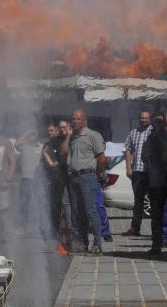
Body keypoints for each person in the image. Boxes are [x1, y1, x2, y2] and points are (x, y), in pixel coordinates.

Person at [61, 108, 106, 256]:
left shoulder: (93, 135)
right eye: (73, 119)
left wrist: (96, 174)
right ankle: (82, 244)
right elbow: (63, 151)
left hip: (88, 177)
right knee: (76, 212)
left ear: (85, 120)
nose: (75, 121)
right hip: (74, 177)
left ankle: (97, 245)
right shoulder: (72, 137)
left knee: (90, 211)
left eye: (78, 119)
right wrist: (68, 136)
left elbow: (102, 158)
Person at [141, 114, 167, 258]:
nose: (158, 125)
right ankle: (156, 245)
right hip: (156, 181)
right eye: (156, 122)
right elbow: (144, 157)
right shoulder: (150, 138)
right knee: (156, 216)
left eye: (160, 122)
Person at [121, 111, 152, 237]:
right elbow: (128, 149)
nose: (144, 120)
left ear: (149, 119)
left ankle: (157, 231)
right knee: (138, 202)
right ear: (139, 119)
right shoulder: (133, 132)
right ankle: (135, 229)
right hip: (138, 172)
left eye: (146, 118)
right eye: (142, 118)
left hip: (150, 172)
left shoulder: (153, 131)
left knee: (154, 202)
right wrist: (129, 168)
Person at [42, 122, 69, 242]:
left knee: (66, 205)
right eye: (61, 127)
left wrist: (60, 162)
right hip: (55, 178)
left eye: (64, 128)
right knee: (55, 206)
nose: (50, 133)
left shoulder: (69, 139)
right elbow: (45, 151)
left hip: (67, 177)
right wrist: (50, 163)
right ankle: (54, 230)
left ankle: (69, 229)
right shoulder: (52, 142)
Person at [15, 128, 44, 234]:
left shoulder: (41, 147)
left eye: (35, 134)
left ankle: (40, 226)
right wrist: (27, 132)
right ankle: (22, 226)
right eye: (32, 135)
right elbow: (16, 144)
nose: (33, 136)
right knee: (24, 204)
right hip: (25, 179)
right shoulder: (25, 145)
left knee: (39, 203)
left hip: (36, 180)